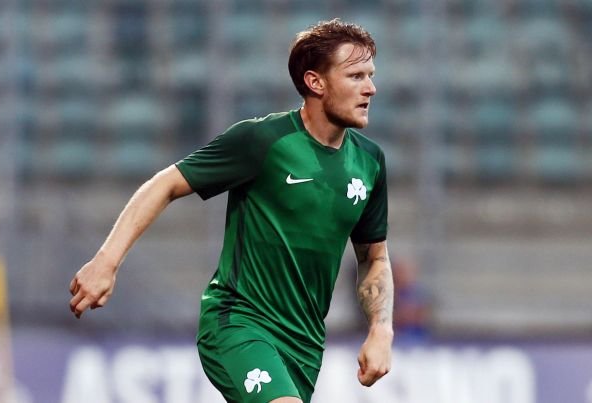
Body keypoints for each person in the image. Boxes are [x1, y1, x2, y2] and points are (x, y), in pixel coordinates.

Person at [69, 18, 393, 403]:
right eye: (356, 76)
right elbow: (165, 184)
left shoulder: (369, 162)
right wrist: (106, 261)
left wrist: (381, 329)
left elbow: (373, 257)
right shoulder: (263, 141)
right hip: (238, 322)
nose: (370, 88)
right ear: (315, 82)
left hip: (304, 344)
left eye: (370, 75)